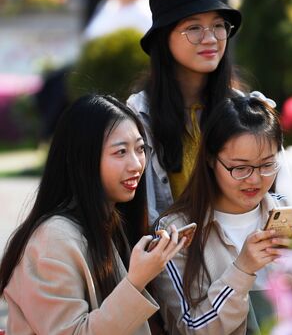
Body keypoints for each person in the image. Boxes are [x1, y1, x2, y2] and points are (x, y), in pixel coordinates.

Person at [0, 95, 185, 334]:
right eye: (120, 152)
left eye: (140, 149)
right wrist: (136, 280)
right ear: (83, 158)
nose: (136, 164)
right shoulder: (53, 240)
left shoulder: (110, 222)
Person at [151, 95, 292, 334]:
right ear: (210, 158)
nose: (254, 179)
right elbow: (189, 329)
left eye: (267, 165)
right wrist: (242, 270)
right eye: (240, 168)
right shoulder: (175, 235)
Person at [127, 0, 245, 225]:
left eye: (218, 25)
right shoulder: (139, 115)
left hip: (240, 251)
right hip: (170, 257)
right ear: (164, 38)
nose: (211, 38)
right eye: (194, 28)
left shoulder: (244, 110)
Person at [36, 0, 152, 141]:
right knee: (51, 83)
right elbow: (89, 40)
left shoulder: (144, 10)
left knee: (61, 89)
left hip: (117, 78)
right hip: (91, 70)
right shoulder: (108, 6)